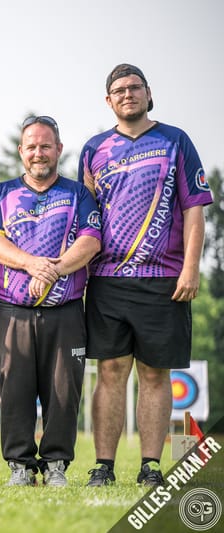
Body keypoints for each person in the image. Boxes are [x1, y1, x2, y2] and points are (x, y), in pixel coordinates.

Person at [79, 64, 213, 487]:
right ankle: (103, 465)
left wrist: (191, 266)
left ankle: (151, 465)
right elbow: (85, 218)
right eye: (118, 90)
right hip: (107, 279)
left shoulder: (176, 140)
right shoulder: (94, 149)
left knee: (155, 373)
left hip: (164, 279)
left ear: (148, 93)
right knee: (111, 371)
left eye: (135, 88)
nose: (127, 94)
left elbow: (195, 207)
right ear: (109, 101)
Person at [0, 115, 101, 487]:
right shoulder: (1, 194)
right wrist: (33, 264)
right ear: (21, 151)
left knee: (64, 392)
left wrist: (55, 270)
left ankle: (55, 466)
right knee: (14, 390)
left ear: (59, 149)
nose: (38, 153)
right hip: (13, 311)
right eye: (31, 146)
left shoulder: (78, 194)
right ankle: (20, 465)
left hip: (65, 311)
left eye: (45, 145)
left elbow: (92, 240)